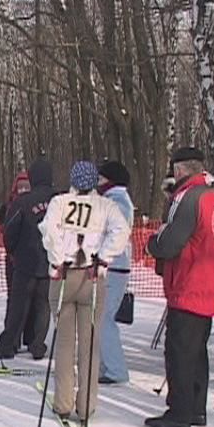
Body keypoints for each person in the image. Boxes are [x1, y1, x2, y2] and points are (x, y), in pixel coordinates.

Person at [39, 161, 131, 421]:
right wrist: (103, 259)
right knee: (89, 344)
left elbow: (48, 232)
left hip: (64, 274)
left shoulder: (59, 202)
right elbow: (122, 231)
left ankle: (63, 401)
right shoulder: (105, 205)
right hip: (91, 275)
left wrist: (57, 261)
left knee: (65, 342)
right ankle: (87, 405)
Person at [144, 147, 214, 427]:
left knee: (178, 351)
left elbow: (171, 240)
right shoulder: (213, 197)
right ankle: (195, 409)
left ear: (180, 170)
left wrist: (152, 244)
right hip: (208, 282)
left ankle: (178, 413)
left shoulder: (188, 198)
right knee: (196, 352)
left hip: (188, 283)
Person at [0, 157, 55, 361]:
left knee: (19, 304)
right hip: (52, 261)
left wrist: (13, 252)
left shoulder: (21, 202)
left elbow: (10, 232)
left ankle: (9, 344)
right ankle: (37, 344)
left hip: (25, 262)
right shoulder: (61, 200)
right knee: (43, 305)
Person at [96, 160, 135, 384]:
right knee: (99, 317)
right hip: (111, 266)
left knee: (103, 319)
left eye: (101, 179)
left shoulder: (117, 200)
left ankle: (115, 369)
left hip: (113, 266)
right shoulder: (112, 200)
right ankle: (106, 365)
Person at [0, 171, 35, 352]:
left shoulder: (33, 203)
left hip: (30, 258)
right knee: (14, 299)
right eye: (20, 187)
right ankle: (13, 338)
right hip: (13, 259)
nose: (23, 190)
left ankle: (30, 336)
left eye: (26, 186)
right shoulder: (9, 205)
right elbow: (1, 225)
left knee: (33, 300)